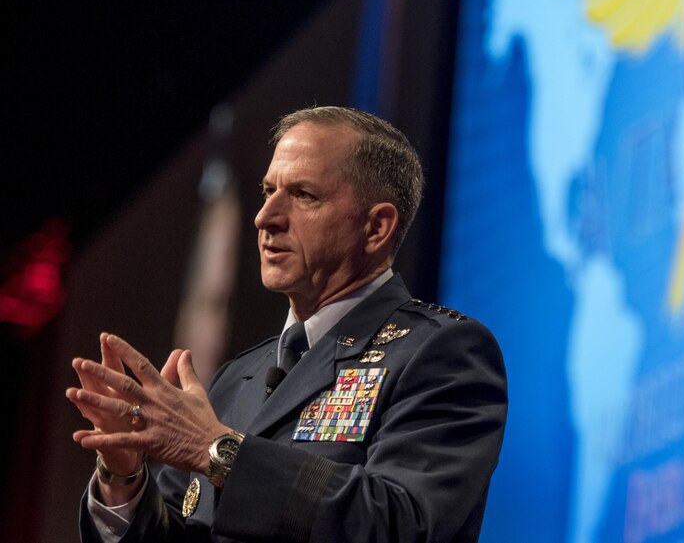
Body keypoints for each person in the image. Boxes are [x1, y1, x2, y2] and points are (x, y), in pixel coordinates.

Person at [66, 106, 508, 542]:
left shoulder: (441, 353)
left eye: (303, 195)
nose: (265, 217)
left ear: (376, 228)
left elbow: (402, 524)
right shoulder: (237, 377)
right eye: (267, 191)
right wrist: (122, 479)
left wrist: (219, 452)